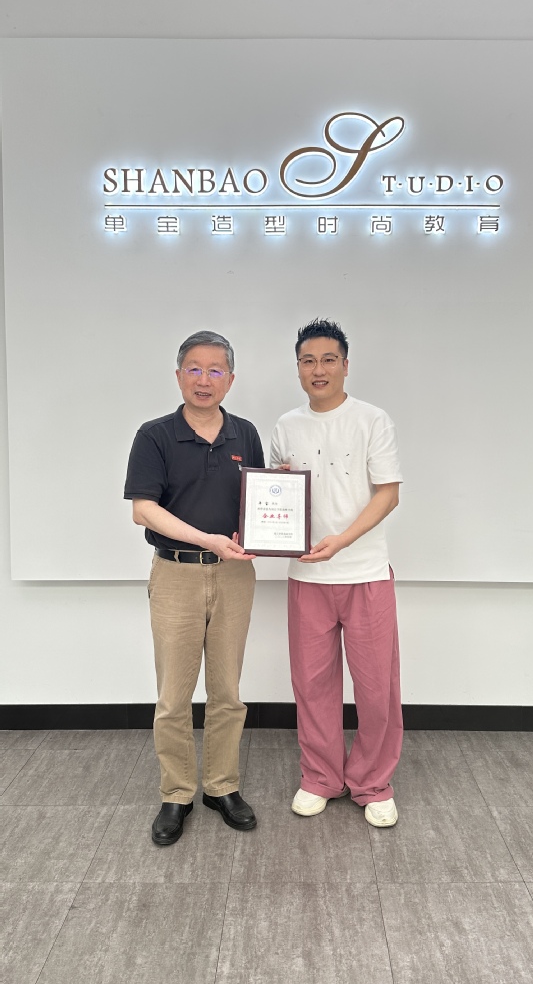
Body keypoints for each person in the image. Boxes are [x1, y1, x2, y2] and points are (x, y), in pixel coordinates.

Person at [124, 330, 264, 845]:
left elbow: (259, 501)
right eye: (195, 369)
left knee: (227, 692)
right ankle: (177, 792)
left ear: (231, 379)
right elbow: (144, 509)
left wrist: (269, 523)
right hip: (175, 574)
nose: (205, 380)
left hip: (234, 577)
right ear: (179, 374)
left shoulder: (245, 434)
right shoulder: (155, 435)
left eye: (216, 370)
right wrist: (206, 538)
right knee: (173, 696)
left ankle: (222, 786)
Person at [270, 318, 403, 827]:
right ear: (298, 369)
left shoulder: (372, 419)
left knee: (376, 688)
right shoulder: (286, 426)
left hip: (365, 572)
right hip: (307, 577)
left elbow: (388, 494)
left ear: (346, 366)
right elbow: (276, 497)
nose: (318, 369)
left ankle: (373, 782)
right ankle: (320, 777)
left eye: (328, 360)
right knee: (312, 686)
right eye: (308, 361)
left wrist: (342, 541)